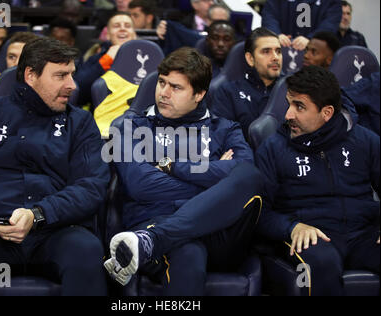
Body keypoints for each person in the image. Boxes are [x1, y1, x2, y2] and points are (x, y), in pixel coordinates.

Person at [0, 38, 110, 296]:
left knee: (87, 249)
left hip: (55, 231)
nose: (72, 85)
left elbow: (92, 186)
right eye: (61, 75)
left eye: (72, 74)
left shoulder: (80, 123)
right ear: (30, 75)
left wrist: (38, 214)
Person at [103, 47, 263, 294]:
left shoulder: (226, 129)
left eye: (176, 87)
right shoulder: (130, 126)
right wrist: (217, 184)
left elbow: (244, 175)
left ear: (199, 94)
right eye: (162, 83)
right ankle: (151, 240)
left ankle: (151, 242)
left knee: (249, 176)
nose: (164, 93)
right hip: (153, 219)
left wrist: (171, 166)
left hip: (216, 230)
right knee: (188, 252)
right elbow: (142, 185)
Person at [255, 65, 379, 296]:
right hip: (309, 234)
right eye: (289, 103)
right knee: (322, 265)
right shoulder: (272, 149)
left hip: (362, 232)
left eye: (299, 106)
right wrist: (291, 227)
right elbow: (260, 212)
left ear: (327, 113)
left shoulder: (366, 141)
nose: (288, 115)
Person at [207, 27, 282, 141]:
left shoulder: (292, 88)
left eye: (278, 51)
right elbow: (222, 137)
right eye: (266, 51)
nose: (275, 57)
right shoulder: (229, 92)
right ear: (250, 58)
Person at [74, 12, 137, 108]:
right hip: (104, 117)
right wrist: (106, 61)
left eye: (127, 26)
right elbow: (79, 92)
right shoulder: (97, 58)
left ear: (134, 34)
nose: (122, 29)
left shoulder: (148, 58)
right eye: (116, 26)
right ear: (107, 35)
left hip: (138, 117)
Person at [262, 0, 342, 51]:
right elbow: (269, 15)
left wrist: (312, 39)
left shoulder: (332, 2)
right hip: (280, 50)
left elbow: (330, 23)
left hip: (315, 55)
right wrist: (275, 34)